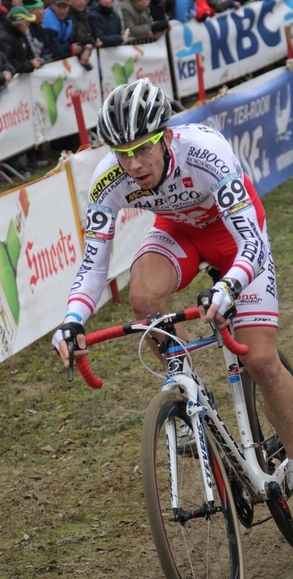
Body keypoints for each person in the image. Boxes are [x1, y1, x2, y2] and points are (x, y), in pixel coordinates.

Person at [52, 78, 293, 488]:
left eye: (142, 149)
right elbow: (94, 264)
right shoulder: (107, 180)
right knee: (143, 297)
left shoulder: (206, 152)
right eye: (122, 154)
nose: (133, 165)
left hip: (234, 236)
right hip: (180, 232)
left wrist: (230, 287)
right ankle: (186, 390)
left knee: (262, 363)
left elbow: (250, 239)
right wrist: (72, 318)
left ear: (165, 136)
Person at [0, 6, 41, 74]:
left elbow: (29, 52)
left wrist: (33, 60)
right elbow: (10, 62)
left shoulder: (21, 34)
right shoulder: (4, 39)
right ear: (20, 25)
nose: (28, 25)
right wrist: (29, 65)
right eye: (27, 23)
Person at [23, 0, 53, 65]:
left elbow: (50, 48)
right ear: (31, 11)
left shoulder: (41, 27)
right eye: (41, 9)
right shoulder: (25, 30)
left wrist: (41, 51)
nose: (44, 11)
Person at [68, 0, 95, 70]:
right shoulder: (67, 18)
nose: (81, 2)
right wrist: (85, 47)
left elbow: (93, 36)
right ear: (70, 1)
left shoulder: (86, 14)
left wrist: (89, 46)